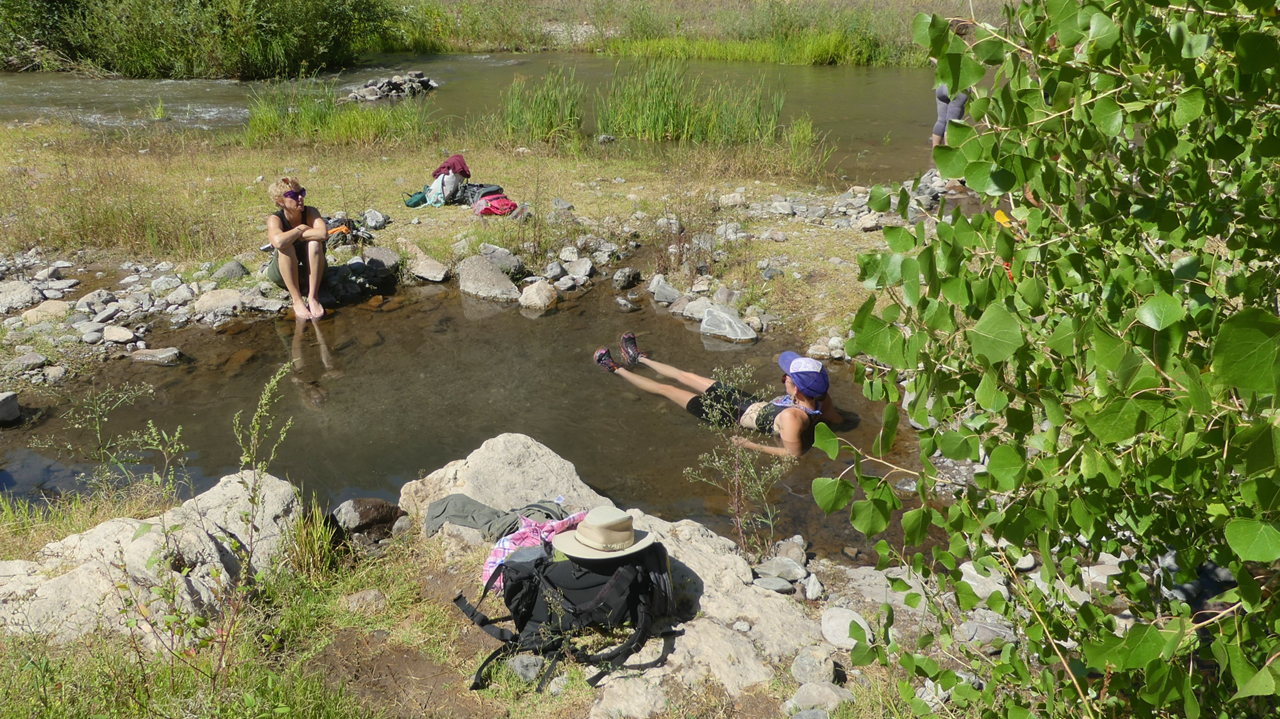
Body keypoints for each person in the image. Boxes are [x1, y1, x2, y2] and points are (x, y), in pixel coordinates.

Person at [594, 334, 841, 457]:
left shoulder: (793, 419)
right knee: (685, 375)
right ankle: (639, 358)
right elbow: (837, 421)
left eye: (786, 376)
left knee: (667, 389)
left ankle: (615, 369)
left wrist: (750, 445)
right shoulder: (821, 397)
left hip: (729, 416)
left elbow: (793, 455)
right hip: (748, 402)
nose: (784, 376)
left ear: (797, 388)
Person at [265, 177, 328, 319]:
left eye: (302, 193)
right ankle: (297, 300)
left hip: (313, 272)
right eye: (293, 196)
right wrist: (300, 229)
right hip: (283, 274)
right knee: (286, 248)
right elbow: (279, 242)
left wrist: (292, 236)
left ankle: (313, 297)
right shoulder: (275, 219)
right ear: (280, 201)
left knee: (315, 243)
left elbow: (323, 233)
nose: (300, 198)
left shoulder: (311, 212)